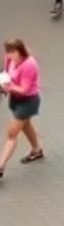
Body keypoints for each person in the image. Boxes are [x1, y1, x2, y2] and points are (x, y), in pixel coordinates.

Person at [0, 39, 43, 177]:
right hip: (16, 100)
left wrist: (9, 87)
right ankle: (36, 150)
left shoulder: (29, 65)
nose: (9, 55)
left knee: (11, 134)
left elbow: (24, 89)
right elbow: (7, 74)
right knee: (25, 125)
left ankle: (1, 166)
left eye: (13, 52)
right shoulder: (9, 59)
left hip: (28, 102)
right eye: (8, 51)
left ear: (20, 51)